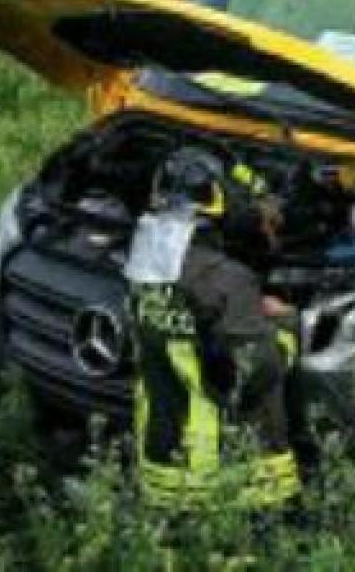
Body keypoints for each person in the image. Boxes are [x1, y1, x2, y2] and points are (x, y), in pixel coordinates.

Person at [123, 148, 301, 508]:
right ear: (216, 205)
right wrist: (285, 323)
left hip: (162, 465)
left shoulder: (142, 272)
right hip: (231, 477)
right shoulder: (226, 280)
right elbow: (257, 369)